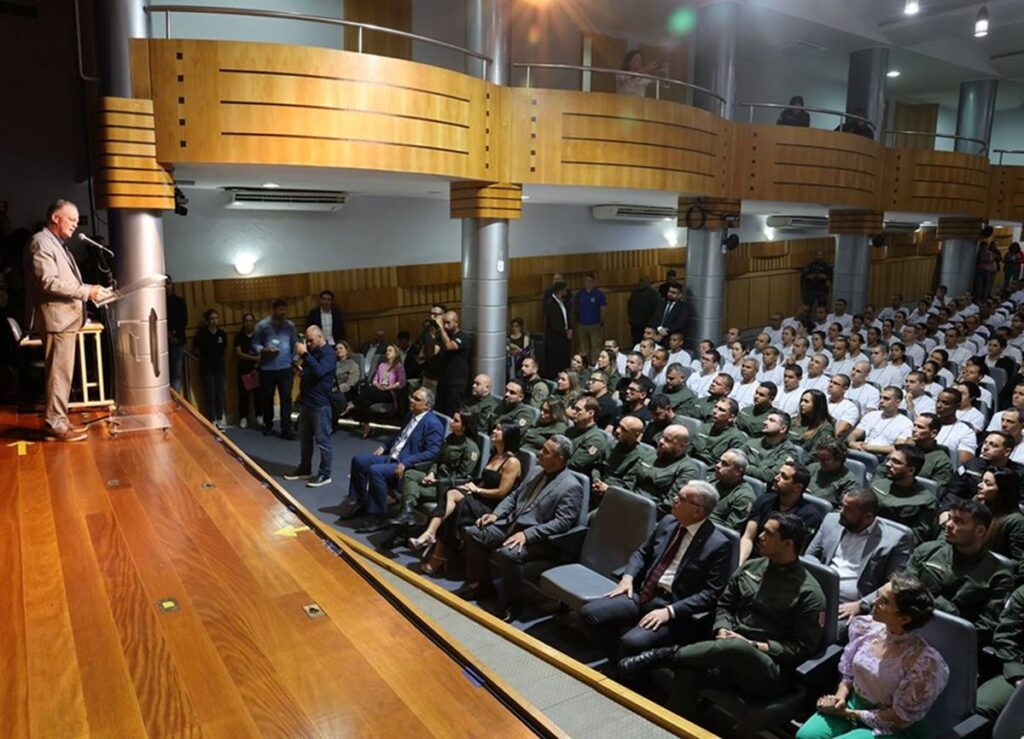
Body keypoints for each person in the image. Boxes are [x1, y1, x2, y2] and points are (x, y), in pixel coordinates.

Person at [618, 514, 826, 721]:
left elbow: (801, 649)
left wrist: (754, 645)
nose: (760, 536)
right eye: (762, 530)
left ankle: (662, 656)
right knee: (689, 670)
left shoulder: (809, 593)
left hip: (766, 671)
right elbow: (725, 604)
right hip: (724, 653)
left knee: (738, 647)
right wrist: (721, 628)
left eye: (769, 534)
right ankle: (673, 726)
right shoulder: (751, 567)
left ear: (788, 544)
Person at [580, 481, 732, 659]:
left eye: (681, 498)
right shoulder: (668, 522)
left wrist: (670, 611)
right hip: (643, 593)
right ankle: (621, 664)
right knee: (589, 614)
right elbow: (642, 553)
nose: (674, 499)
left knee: (631, 643)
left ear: (697, 511)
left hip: (672, 608)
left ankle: (625, 670)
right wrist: (627, 577)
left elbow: (710, 593)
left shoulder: (719, 545)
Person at [797, 575, 949, 739]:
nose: (874, 603)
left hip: (893, 727)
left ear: (904, 618)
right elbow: (849, 674)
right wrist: (839, 699)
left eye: (883, 601)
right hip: (852, 704)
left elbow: (900, 718)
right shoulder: (867, 628)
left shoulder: (924, 663)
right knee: (806, 736)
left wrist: (848, 713)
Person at [457, 435, 583, 621]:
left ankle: (512, 604)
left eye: (546, 451)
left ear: (559, 459)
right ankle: (484, 585)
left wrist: (527, 534)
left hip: (538, 540)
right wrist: (496, 515)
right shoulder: (536, 471)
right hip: (510, 525)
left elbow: (563, 522)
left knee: (510, 554)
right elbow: (514, 496)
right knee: (474, 533)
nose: (540, 452)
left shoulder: (571, 486)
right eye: (542, 447)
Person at [26, 199, 113, 441]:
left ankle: (59, 421)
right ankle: (55, 424)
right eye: (71, 219)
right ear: (56, 218)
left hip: (65, 320)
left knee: (63, 373)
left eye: (76, 220)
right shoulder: (40, 242)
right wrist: (87, 292)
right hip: (56, 320)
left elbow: (66, 281)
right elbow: (48, 281)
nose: (76, 225)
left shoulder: (57, 244)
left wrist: (91, 289)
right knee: (58, 374)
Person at [410, 421, 521, 575]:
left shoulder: (512, 462)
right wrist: (470, 487)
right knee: (451, 493)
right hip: (480, 498)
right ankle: (431, 539)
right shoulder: (495, 455)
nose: (494, 431)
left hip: (493, 508)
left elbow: (502, 492)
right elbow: (484, 480)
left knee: (454, 506)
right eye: (495, 428)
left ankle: (434, 546)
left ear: (508, 436)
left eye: (499, 429)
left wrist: (477, 489)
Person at [903, 499, 1013, 639]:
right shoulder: (927, 551)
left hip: (954, 640)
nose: (948, 525)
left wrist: (933, 604)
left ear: (980, 531)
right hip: (908, 627)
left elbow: (985, 627)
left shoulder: (998, 575)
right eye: (949, 518)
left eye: (958, 521)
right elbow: (903, 593)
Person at [342, 387, 445, 532]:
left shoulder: (433, 424)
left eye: (417, 399)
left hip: (406, 463)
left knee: (375, 471)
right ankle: (362, 502)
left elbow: (433, 452)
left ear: (427, 406)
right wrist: (384, 446)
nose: (411, 400)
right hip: (393, 456)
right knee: (359, 461)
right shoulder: (411, 415)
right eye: (412, 397)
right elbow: (401, 436)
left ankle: (378, 516)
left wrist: (407, 462)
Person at [805, 489, 914, 621]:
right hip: (815, 592)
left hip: (850, 607)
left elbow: (892, 584)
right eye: (842, 506)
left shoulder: (896, 540)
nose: (841, 512)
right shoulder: (831, 520)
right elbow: (810, 555)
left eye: (848, 509)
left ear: (867, 517)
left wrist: (861, 605)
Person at [389, 409, 481, 531]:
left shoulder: (471, 448)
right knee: (410, 474)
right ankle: (408, 515)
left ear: (464, 426)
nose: (451, 423)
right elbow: (437, 460)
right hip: (435, 478)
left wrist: (436, 482)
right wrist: (431, 473)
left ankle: (403, 526)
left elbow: (461, 477)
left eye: (456, 421)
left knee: (411, 491)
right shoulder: (450, 438)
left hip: (446, 487)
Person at [283, 325, 337, 488]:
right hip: (307, 402)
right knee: (304, 438)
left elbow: (320, 371)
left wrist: (305, 353)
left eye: (311, 340)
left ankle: (325, 473)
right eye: (306, 340)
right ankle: (304, 468)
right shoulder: (312, 352)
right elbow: (311, 372)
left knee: (323, 440)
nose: (308, 343)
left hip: (321, 404)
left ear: (320, 337)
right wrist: (301, 371)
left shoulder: (329, 354)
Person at [739, 462, 825, 564]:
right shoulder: (765, 499)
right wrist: (739, 565)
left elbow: (795, 553)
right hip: (752, 558)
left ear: (797, 487)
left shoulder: (810, 516)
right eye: (779, 473)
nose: (776, 478)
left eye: (784, 477)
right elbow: (748, 537)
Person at [974, 583, 1024, 720]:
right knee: (980, 708)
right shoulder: (1023, 594)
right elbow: (1006, 637)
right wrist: (1018, 675)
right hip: (1020, 670)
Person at [871, 445, 938, 545]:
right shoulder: (877, 485)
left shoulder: (926, 501)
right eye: (889, 459)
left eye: (896, 462)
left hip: (895, 545)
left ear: (911, 470)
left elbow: (917, 536)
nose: (888, 464)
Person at [252, 299, 298, 440]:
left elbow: (294, 345)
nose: (283, 312)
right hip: (267, 368)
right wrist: (264, 350)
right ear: (273, 310)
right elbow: (255, 344)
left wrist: (293, 360)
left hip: (285, 367)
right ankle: (268, 425)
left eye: (285, 309)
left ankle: (286, 428)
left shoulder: (290, 326)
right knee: (267, 398)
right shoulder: (262, 326)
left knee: (286, 398)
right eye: (280, 310)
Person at [633, 424, 702, 512]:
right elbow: (630, 479)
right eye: (662, 437)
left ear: (681, 446)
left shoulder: (688, 469)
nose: (661, 441)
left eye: (668, 440)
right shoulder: (650, 454)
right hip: (630, 499)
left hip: (652, 510)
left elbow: (671, 503)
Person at [593, 416, 656, 500]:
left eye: (624, 430)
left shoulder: (641, 456)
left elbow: (629, 484)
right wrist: (596, 479)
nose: (618, 431)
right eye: (619, 426)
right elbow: (597, 466)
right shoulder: (611, 444)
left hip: (617, 496)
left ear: (636, 435)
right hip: (597, 487)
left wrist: (608, 489)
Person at [351, 343, 406, 438]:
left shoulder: (398, 366)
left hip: (390, 392)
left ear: (396, 353)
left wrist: (389, 387)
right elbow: (375, 380)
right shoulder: (382, 365)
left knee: (366, 392)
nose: (387, 352)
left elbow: (402, 382)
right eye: (386, 351)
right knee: (364, 401)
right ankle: (367, 426)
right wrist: (378, 385)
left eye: (390, 350)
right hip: (378, 390)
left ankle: (352, 403)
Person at [848, 386, 914, 459]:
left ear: (897, 402)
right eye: (881, 397)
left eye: (886, 398)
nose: (881, 401)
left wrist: (869, 447)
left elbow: (898, 448)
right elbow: (854, 433)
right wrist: (852, 443)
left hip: (882, 457)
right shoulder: (871, 415)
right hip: (860, 451)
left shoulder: (906, 423)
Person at [975, 468, 1024, 563]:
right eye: (981, 481)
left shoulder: (1016, 521)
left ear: (1002, 491)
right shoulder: (977, 502)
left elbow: (1017, 562)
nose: (979, 485)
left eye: (987, 484)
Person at [744, 409, 801, 483]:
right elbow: (733, 457)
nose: (765, 422)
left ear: (783, 429)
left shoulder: (788, 451)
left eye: (772, 420)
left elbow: (771, 476)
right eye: (767, 419)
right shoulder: (752, 442)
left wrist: (744, 467)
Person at [709, 449, 758, 532]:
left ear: (738, 472)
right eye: (719, 461)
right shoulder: (714, 478)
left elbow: (729, 531)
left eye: (725, 464)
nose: (718, 465)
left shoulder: (744, 496)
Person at [193, 308, 227, 426]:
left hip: (219, 366)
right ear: (207, 320)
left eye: (216, 318)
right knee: (210, 394)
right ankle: (212, 419)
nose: (214, 321)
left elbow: (223, 349)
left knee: (219, 393)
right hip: (207, 367)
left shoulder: (222, 334)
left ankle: (220, 418)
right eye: (212, 318)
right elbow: (197, 349)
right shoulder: (201, 335)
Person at [690, 397, 747, 465]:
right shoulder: (703, 427)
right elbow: (688, 451)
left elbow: (727, 465)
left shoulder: (737, 438)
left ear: (731, 417)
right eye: (715, 407)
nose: (715, 411)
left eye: (721, 410)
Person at [434, 310, 470, 416]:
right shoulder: (443, 337)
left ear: (456, 323)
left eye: (448, 323)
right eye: (443, 322)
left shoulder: (462, 337)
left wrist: (440, 327)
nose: (445, 325)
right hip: (443, 380)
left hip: (456, 382)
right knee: (439, 411)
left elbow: (450, 346)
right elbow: (432, 352)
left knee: (453, 412)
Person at [806, 439, 860, 507]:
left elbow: (846, 506)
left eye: (826, 460)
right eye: (819, 458)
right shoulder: (812, 468)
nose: (821, 462)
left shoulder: (850, 480)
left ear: (839, 458)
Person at [789, 389, 836, 454]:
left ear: (817, 405)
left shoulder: (825, 428)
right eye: (801, 401)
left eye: (806, 401)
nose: (802, 404)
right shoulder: (794, 421)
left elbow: (815, 455)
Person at [234, 312, 260, 428]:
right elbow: (239, 353)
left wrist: (258, 361)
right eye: (246, 321)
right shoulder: (239, 336)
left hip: (257, 368)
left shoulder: (259, 335)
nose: (248, 323)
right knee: (244, 394)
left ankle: (259, 416)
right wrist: (254, 358)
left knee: (258, 394)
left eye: (251, 321)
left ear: (254, 322)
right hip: (244, 368)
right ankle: (243, 417)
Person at [574, 273, 606, 364]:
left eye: (589, 281)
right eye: (586, 281)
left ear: (594, 282)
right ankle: (585, 365)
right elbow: (576, 309)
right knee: (583, 347)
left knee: (596, 346)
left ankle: (595, 365)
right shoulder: (580, 294)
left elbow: (603, 309)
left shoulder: (599, 294)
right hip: (582, 324)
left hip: (595, 324)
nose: (587, 283)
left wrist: (601, 321)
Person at [543, 282, 572, 378]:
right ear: (560, 291)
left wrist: (570, 328)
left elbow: (566, 318)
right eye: (565, 290)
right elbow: (554, 323)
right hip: (555, 341)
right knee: (555, 365)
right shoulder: (550, 304)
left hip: (563, 340)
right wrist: (565, 332)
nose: (566, 292)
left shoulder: (562, 302)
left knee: (563, 363)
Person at [330, 340, 361, 426]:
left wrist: (337, 389)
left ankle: (332, 424)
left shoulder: (353, 365)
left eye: (341, 348)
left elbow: (351, 383)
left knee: (333, 397)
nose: (338, 350)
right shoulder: (333, 364)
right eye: (336, 349)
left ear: (347, 350)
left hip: (347, 391)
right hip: (331, 389)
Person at [166, 275, 187, 394]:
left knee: (176, 375)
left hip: (177, 340)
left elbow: (184, 321)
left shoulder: (179, 301)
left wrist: (173, 334)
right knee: (164, 375)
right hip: (162, 342)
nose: (166, 287)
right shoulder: (156, 302)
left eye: (168, 283)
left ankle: (175, 401)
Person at [628, 277, 661, 347]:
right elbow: (629, 306)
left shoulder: (654, 294)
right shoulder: (635, 293)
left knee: (647, 342)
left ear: (649, 282)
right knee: (636, 341)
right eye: (640, 281)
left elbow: (657, 310)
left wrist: (651, 322)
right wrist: (631, 318)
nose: (641, 283)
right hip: (635, 323)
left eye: (643, 281)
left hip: (647, 323)